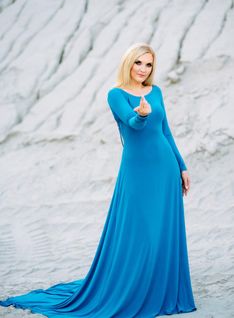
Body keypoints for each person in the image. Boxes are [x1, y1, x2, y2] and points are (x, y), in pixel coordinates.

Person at [0, 42, 197, 317]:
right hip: (138, 171)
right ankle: (135, 288)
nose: (143, 69)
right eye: (138, 62)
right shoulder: (115, 94)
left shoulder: (157, 92)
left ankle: (160, 290)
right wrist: (140, 114)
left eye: (149, 64)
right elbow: (132, 124)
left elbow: (165, 131)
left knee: (163, 230)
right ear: (129, 63)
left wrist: (182, 166)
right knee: (142, 232)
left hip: (165, 168)